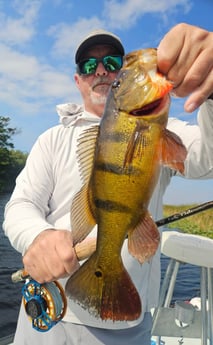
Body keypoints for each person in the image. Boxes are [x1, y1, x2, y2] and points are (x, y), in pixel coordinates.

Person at [3, 23, 213, 345]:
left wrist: (210, 93)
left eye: (113, 63)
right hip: (45, 312)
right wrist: (38, 235)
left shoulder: (160, 129)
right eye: (88, 66)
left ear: (119, 77)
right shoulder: (52, 139)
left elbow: (207, 159)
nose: (100, 70)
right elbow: (20, 206)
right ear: (78, 80)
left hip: (127, 324)